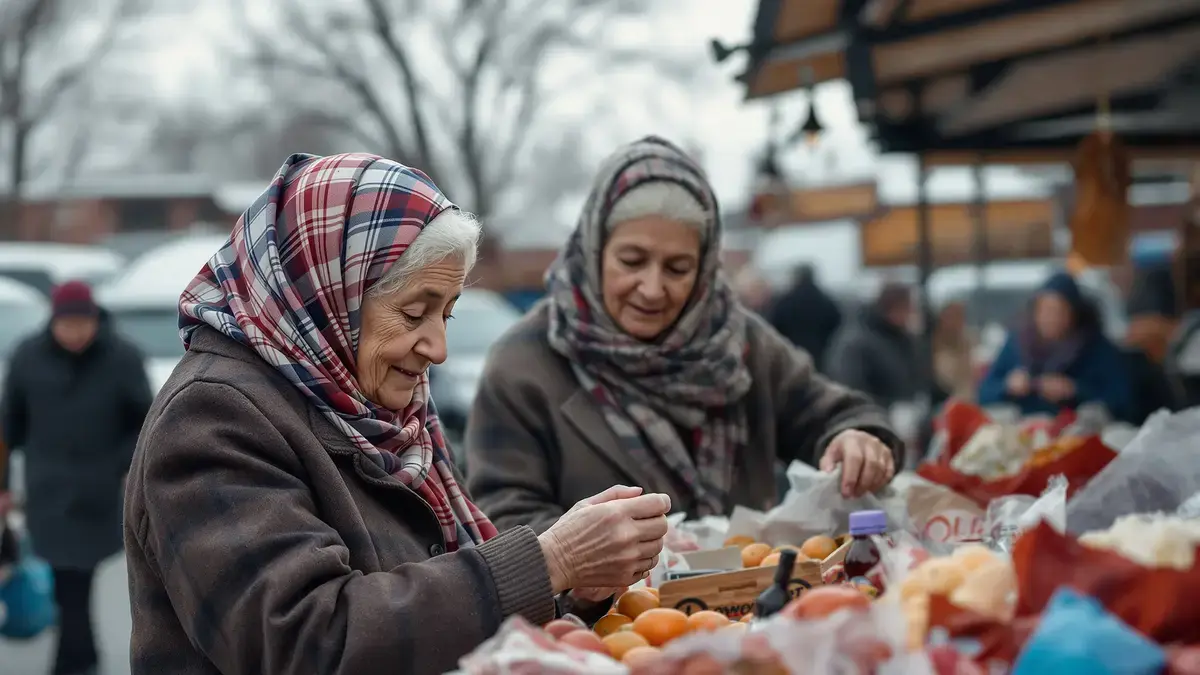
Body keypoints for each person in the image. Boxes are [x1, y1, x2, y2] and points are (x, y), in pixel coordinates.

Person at [122, 153, 671, 675]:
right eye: (414, 312)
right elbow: (308, 643)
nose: (437, 347)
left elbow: (440, 580)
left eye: (446, 315)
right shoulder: (212, 418)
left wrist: (575, 585)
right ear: (333, 294)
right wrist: (548, 560)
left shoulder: (381, 408)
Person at [464, 137, 901, 534]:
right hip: (606, 620)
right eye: (632, 261)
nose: (653, 289)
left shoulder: (739, 343)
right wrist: (592, 553)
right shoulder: (523, 366)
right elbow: (502, 519)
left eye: (678, 269)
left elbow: (833, 414)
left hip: (749, 608)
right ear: (594, 250)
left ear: (706, 270)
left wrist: (857, 438)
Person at [1, 280, 152, 675]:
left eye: (81, 324)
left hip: (95, 489)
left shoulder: (122, 358)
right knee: (65, 575)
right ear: (52, 321)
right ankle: (78, 655)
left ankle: (74, 657)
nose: (74, 333)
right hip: (47, 488)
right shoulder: (27, 358)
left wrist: (120, 462)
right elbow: (8, 427)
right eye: (65, 325)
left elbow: (145, 422)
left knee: (76, 575)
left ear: (94, 320)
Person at [978, 271, 1132, 419]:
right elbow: (983, 394)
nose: (1050, 318)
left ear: (1074, 313)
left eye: (1059, 311)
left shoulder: (1096, 348)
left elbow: (1122, 402)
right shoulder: (1017, 343)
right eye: (1045, 310)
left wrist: (1075, 391)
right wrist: (1007, 386)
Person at [824, 283, 924, 409]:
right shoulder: (856, 342)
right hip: (872, 419)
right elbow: (848, 387)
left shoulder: (902, 338)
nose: (910, 314)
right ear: (892, 307)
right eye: (907, 308)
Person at [765, 263, 843, 367]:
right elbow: (837, 322)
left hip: (792, 352)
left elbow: (774, 325)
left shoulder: (786, 301)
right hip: (820, 353)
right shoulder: (824, 300)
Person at [932, 301, 977, 403]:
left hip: (966, 403)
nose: (956, 322)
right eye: (951, 317)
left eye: (960, 317)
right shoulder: (932, 348)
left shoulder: (967, 344)